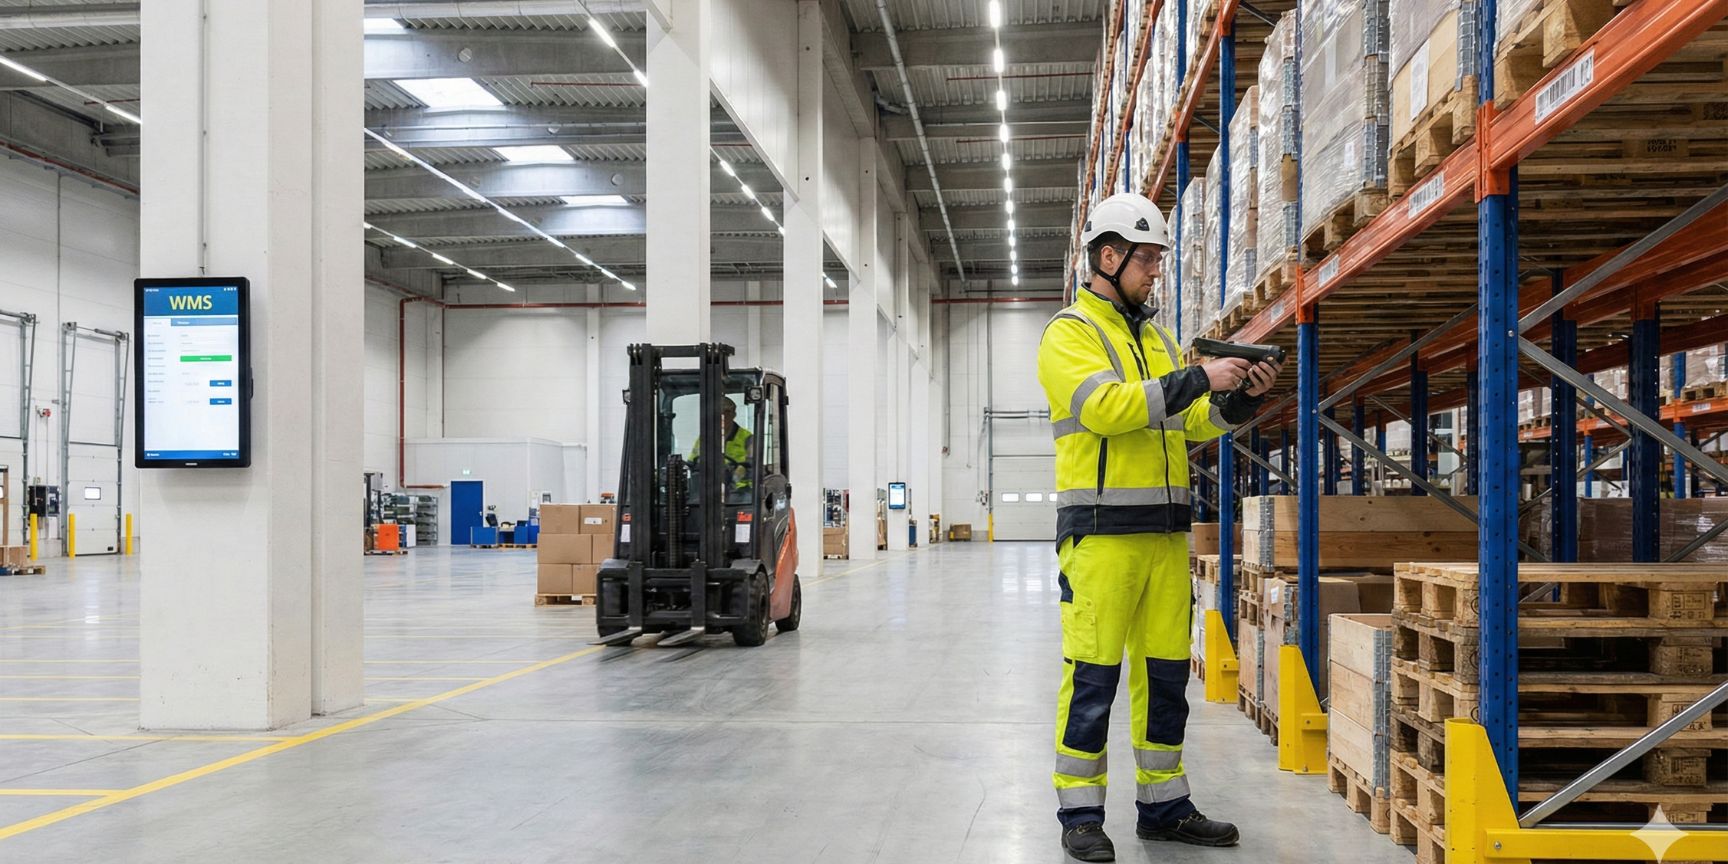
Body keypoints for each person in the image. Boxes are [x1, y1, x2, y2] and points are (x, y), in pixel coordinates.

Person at [1037, 192, 1283, 861]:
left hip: (1165, 537)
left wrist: (1238, 397)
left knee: (1166, 674)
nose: (1154, 272)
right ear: (1107, 256)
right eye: (1146, 260)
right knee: (1093, 676)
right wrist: (1199, 374)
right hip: (1101, 537)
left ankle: (1163, 804)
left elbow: (1189, 421)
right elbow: (1109, 409)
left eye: (1158, 260)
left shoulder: (1155, 339)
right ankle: (1081, 813)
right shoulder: (1069, 333)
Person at [689, 396, 752, 490]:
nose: (722, 417)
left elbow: (753, 466)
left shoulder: (747, 438)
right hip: (709, 489)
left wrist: (736, 476)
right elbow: (692, 462)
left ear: (734, 415)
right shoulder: (705, 437)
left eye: (726, 413)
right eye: (718, 414)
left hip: (740, 491)